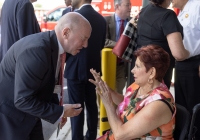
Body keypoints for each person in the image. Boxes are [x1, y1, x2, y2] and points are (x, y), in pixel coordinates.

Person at [0, 12, 91, 140]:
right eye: (83, 38)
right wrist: (61, 111)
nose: (86, 44)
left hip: (30, 114)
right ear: (66, 33)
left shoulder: (53, 47)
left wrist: (58, 112)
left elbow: (45, 86)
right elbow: (22, 100)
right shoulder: (37, 51)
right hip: (12, 119)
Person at [89, 45, 176, 139]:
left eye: (138, 66)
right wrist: (107, 90)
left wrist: (108, 105)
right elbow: (128, 103)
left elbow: (120, 135)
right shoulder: (138, 85)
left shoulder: (159, 104)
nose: (132, 70)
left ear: (152, 72)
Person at [64, 0, 106, 139]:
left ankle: (77, 137)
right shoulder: (101, 19)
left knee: (76, 108)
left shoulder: (73, 17)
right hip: (93, 69)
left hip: (75, 68)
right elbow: (101, 44)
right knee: (92, 105)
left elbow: (66, 45)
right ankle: (92, 135)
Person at [129, 0, 189, 89]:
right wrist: (189, 53)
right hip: (156, 74)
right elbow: (178, 54)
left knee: (135, 101)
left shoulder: (144, 10)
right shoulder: (168, 15)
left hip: (138, 68)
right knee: (155, 101)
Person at [172, 0, 200, 138]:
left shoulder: (197, 5)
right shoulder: (181, 12)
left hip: (195, 65)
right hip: (181, 65)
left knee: (194, 106)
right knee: (182, 106)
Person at [104, 0, 131, 94]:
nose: (130, 7)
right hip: (108, 63)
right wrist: (120, 45)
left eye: (130, 5)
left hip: (122, 66)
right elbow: (103, 41)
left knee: (118, 93)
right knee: (105, 94)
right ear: (117, 6)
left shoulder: (132, 23)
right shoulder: (106, 21)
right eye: (127, 5)